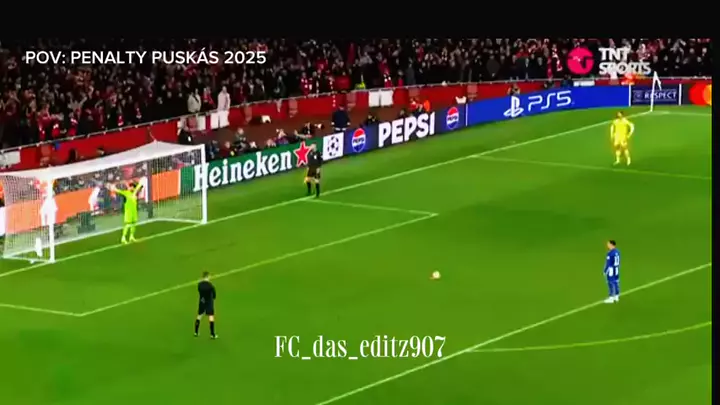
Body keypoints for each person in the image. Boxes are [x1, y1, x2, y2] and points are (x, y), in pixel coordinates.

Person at [195, 271, 217, 339]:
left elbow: (199, 291)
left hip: (202, 301)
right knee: (211, 316)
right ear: (207, 276)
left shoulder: (199, 285)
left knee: (199, 316)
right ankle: (212, 334)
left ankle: (196, 332)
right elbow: (214, 295)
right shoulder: (210, 285)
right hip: (209, 302)